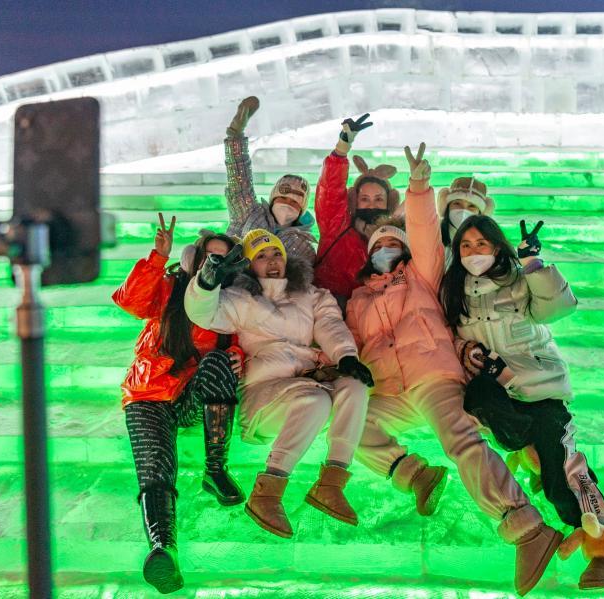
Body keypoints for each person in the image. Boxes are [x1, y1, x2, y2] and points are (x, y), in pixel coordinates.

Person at [346, 144, 562, 596]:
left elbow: (425, 232)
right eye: (378, 245)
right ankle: (413, 474)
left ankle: (527, 529)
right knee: (348, 423)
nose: (386, 248)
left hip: (432, 374)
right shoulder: (358, 300)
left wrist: (419, 187)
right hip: (390, 389)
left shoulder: (422, 276)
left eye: (393, 243)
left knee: (460, 442)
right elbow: (349, 344)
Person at [440, 215, 604, 590]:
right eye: (466, 245)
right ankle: (526, 445)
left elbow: (560, 307)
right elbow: (447, 334)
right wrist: (465, 350)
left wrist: (533, 265)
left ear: (497, 246)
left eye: (482, 244)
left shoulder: (519, 278)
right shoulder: (453, 290)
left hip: (541, 388)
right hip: (500, 392)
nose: (474, 252)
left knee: (563, 472)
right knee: (477, 397)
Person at [184, 229, 374, 539]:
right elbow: (202, 313)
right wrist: (206, 282)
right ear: (249, 265)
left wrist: (346, 356)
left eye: (276, 254)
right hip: (264, 394)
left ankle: (331, 483)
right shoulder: (242, 299)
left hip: (304, 381)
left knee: (355, 385)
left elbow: (329, 323)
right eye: (261, 256)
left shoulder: (310, 295)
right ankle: (268, 493)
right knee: (315, 401)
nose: (271, 261)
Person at [112, 214, 246, 594]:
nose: (214, 264)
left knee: (220, 361)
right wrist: (158, 257)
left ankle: (215, 470)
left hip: (189, 394)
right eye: (209, 256)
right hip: (148, 392)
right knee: (155, 468)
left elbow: (245, 344)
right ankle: (162, 548)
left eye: (222, 258)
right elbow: (130, 302)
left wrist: (238, 355)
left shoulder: (231, 306)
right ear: (195, 259)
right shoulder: (171, 286)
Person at [313, 113, 403, 306]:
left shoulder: (396, 235)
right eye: (364, 199)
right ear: (355, 201)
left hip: (379, 311)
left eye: (379, 199)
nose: (372, 205)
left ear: (389, 202)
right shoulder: (337, 226)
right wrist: (341, 150)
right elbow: (330, 191)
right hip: (330, 307)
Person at [223, 96, 317, 266]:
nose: (287, 204)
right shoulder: (249, 214)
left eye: (295, 202)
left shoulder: (305, 247)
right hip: (231, 278)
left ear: (302, 210)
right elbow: (239, 181)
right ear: (273, 199)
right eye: (283, 197)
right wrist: (235, 137)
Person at [437, 176, 496, 266]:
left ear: (480, 213)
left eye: (471, 206)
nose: (463, 210)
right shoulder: (432, 233)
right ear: (447, 207)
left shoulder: (490, 241)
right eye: (457, 203)